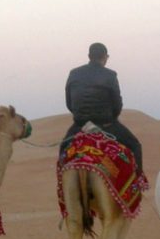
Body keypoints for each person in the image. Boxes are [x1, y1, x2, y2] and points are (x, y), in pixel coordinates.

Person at [59, 42, 144, 176]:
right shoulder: (110, 75)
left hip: (80, 125)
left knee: (63, 150)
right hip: (106, 125)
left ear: (89, 56)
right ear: (105, 57)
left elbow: (69, 103)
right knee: (135, 146)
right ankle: (137, 183)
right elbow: (117, 104)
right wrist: (112, 118)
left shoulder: (74, 74)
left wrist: (81, 116)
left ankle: (63, 190)